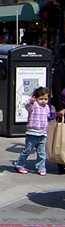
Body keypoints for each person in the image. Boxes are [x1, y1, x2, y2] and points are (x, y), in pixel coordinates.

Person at [15, 86, 50, 175]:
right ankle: (19, 164)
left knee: (42, 153)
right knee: (27, 150)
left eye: (46, 99)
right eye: (41, 99)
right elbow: (27, 107)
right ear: (36, 98)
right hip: (32, 133)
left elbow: (49, 116)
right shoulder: (34, 105)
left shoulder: (46, 107)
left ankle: (41, 167)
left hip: (42, 134)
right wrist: (31, 101)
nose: (43, 101)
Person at [50, 45, 65, 174]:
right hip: (64, 106)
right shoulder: (61, 65)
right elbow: (56, 86)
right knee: (62, 135)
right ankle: (62, 162)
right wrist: (60, 107)